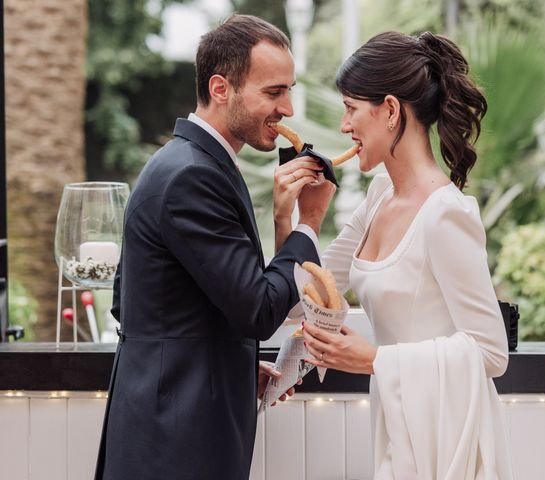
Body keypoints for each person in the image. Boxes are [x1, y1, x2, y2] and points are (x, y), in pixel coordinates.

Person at [95, 15, 335, 480]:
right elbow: (259, 312)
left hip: (165, 434)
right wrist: (310, 222)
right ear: (221, 88)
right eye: (273, 92)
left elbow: (138, 304)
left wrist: (233, 363)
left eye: (288, 90)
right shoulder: (193, 176)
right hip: (175, 447)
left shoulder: (187, 162)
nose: (287, 108)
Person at [302, 31, 513, 479]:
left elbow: (492, 352)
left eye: (351, 108)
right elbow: (308, 293)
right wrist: (300, 218)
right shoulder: (379, 195)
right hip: (395, 420)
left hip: (442, 437)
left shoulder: (445, 213)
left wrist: (376, 360)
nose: (344, 126)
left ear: (391, 111)